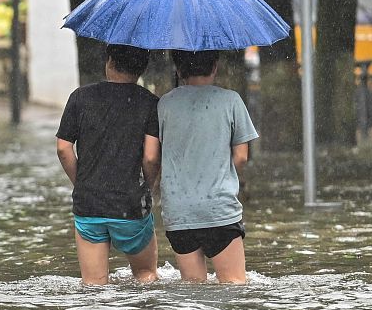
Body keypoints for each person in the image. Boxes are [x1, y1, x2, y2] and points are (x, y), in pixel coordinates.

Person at [56, 43, 161, 285]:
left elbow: (63, 148)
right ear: (142, 67)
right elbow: (151, 157)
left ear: (109, 61)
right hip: (130, 205)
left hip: (89, 205)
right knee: (146, 277)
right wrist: (148, 186)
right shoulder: (150, 103)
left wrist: (81, 182)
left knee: (93, 286)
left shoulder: (80, 98)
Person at [158, 49, 258, 284]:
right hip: (218, 209)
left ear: (179, 69)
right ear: (215, 67)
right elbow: (242, 157)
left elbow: (155, 155)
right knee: (234, 285)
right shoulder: (231, 100)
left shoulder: (165, 103)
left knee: (193, 291)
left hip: (179, 213)